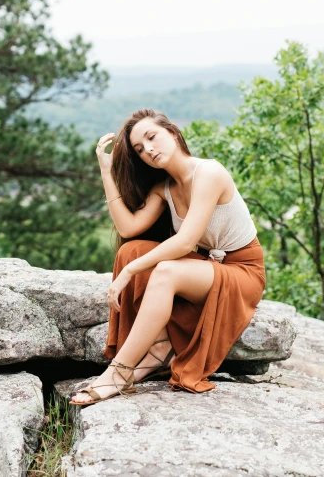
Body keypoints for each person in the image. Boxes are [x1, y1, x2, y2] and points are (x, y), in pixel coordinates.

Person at [69, 109, 266, 406]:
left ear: (172, 132)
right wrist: (106, 172)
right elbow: (128, 228)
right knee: (130, 249)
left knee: (162, 271)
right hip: (208, 269)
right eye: (139, 149)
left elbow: (186, 240)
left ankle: (119, 373)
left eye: (152, 137)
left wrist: (130, 272)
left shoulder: (209, 172)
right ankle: (158, 347)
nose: (148, 149)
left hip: (243, 272)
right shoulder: (164, 189)